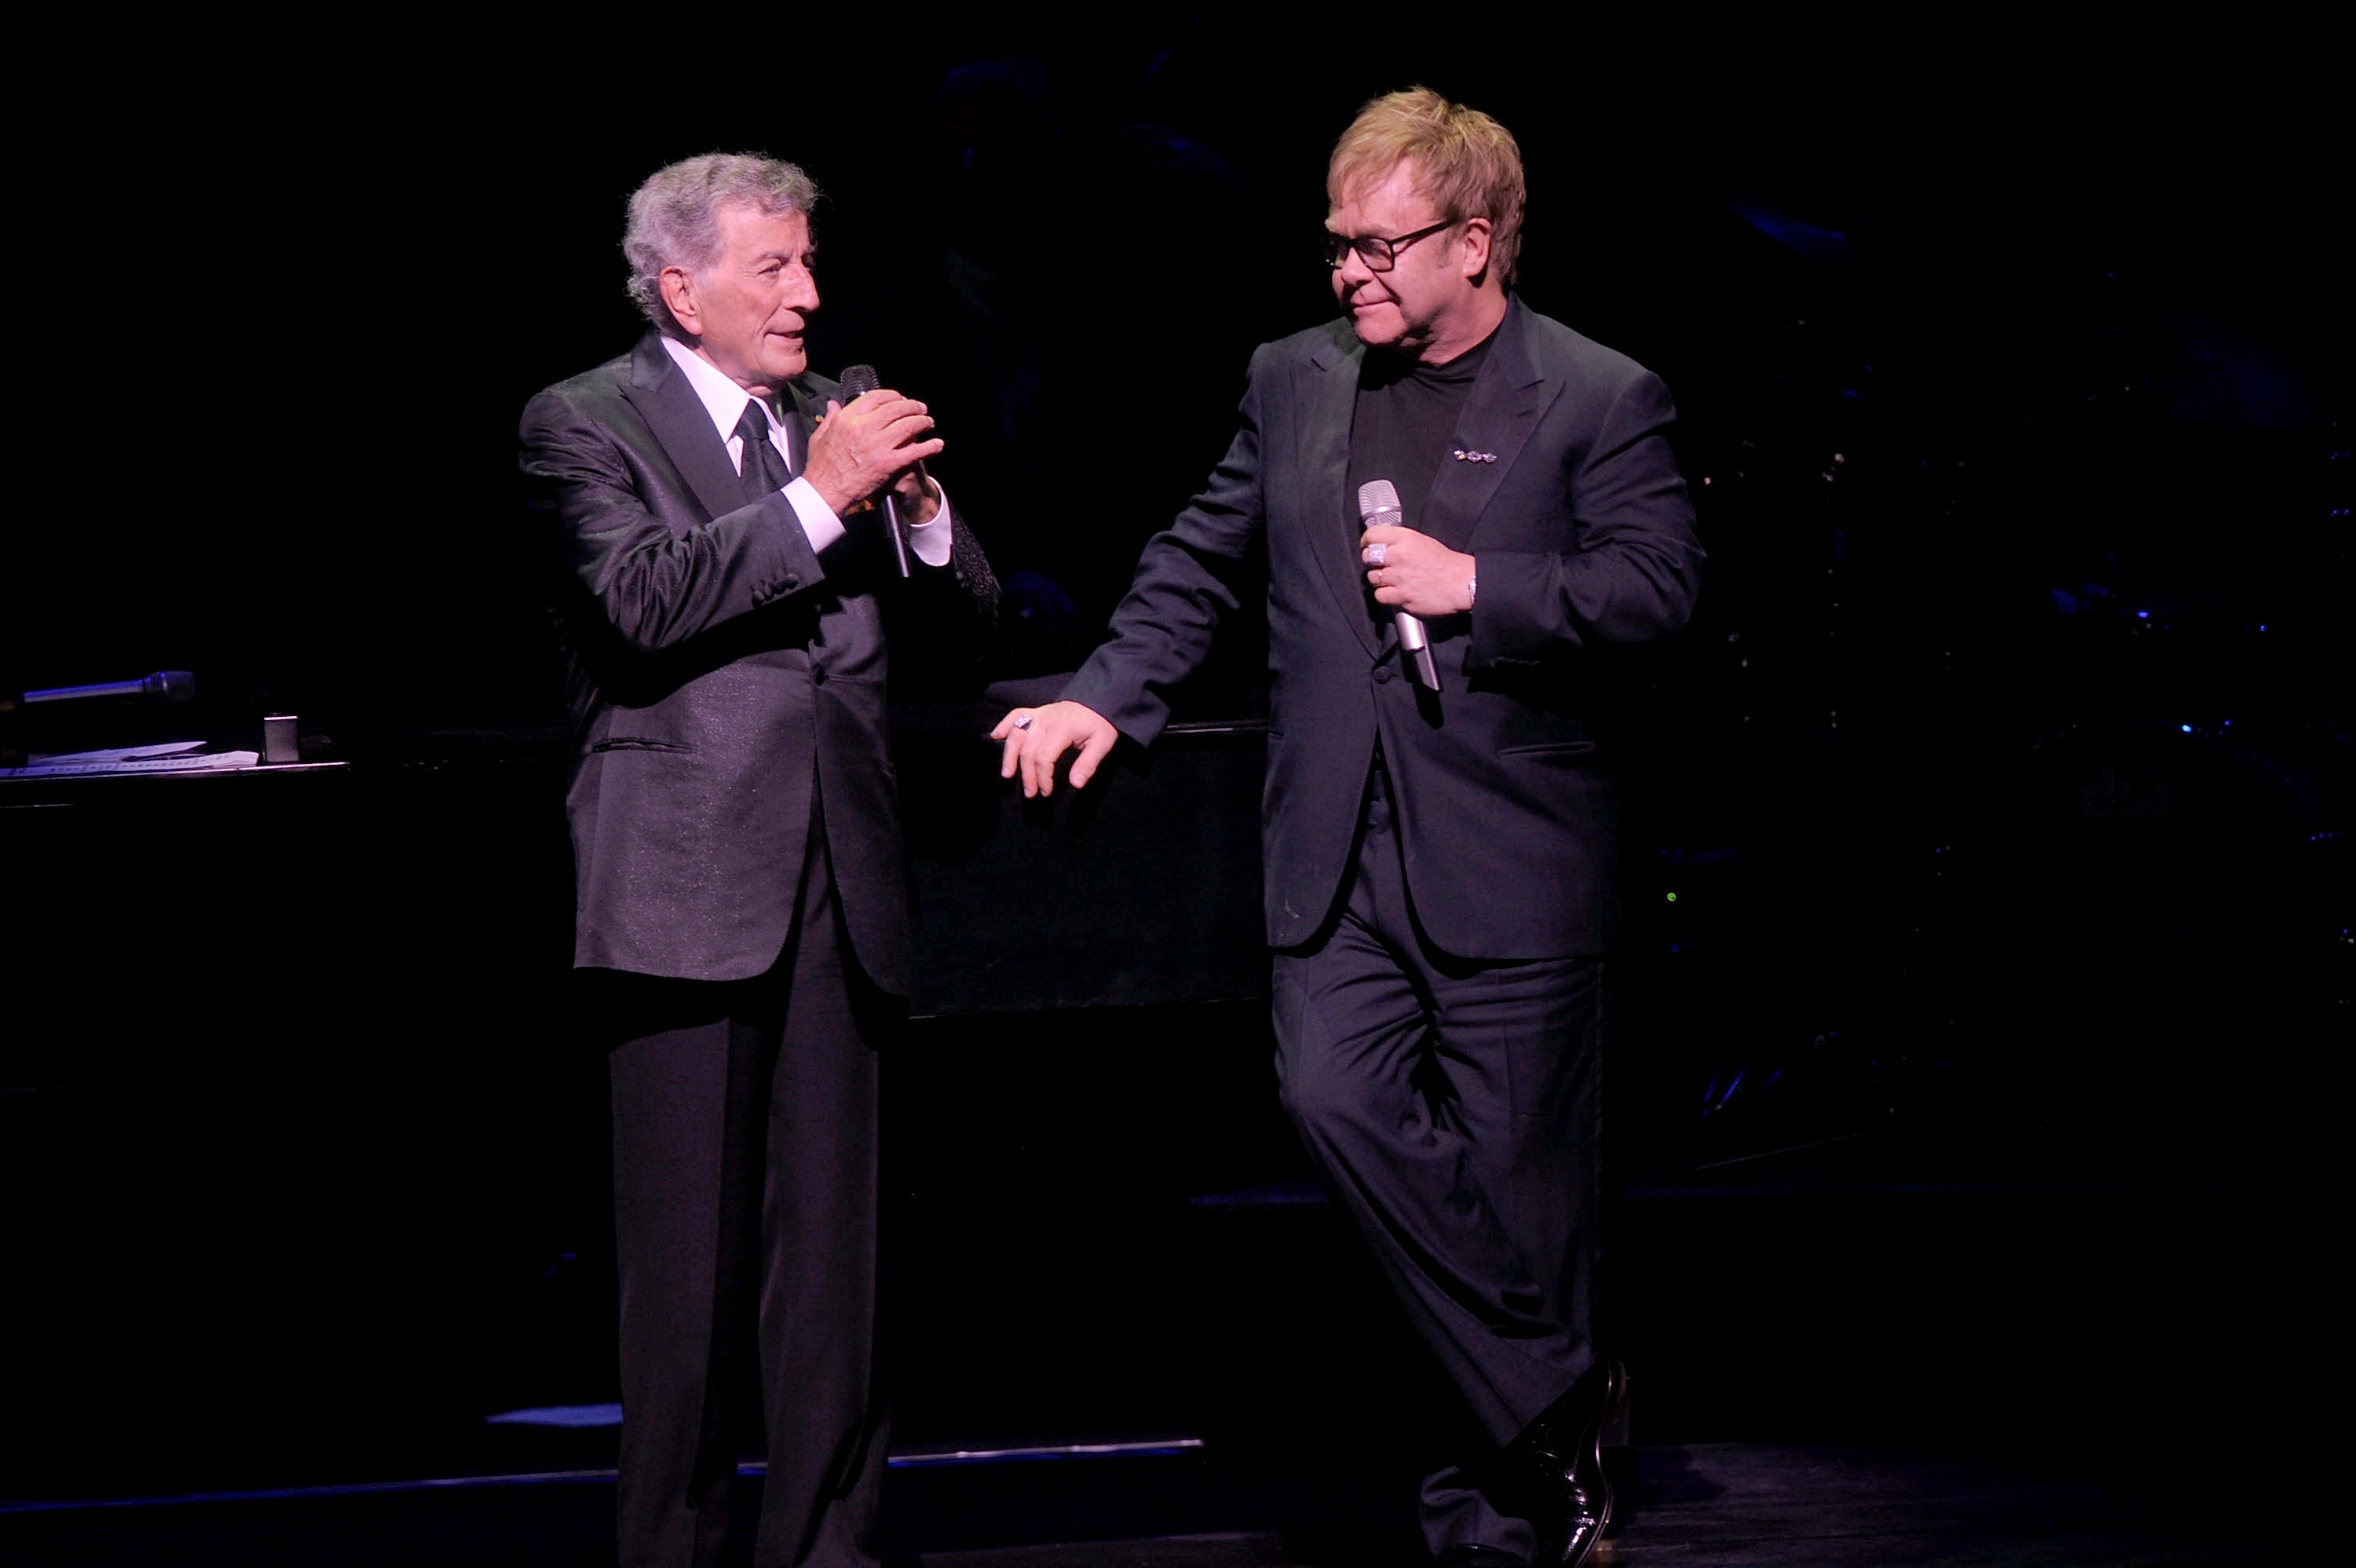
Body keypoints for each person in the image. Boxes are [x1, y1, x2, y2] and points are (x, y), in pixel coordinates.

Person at [993, 89, 1699, 1568]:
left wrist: (1480, 590)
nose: (1353, 274)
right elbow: (1203, 550)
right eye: (1337, 245)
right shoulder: (1294, 379)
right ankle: (1562, 1389)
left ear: (1478, 244)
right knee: (1328, 1101)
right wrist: (1106, 696)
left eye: (1384, 247)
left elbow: (1656, 596)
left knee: (1522, 1196)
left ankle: (1497, 1522)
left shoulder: (1598, 394)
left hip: (1515, 860)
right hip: (1336, 855)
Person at [521, 152, 997, 1568]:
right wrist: (819, 498)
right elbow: (641, 602)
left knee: (836, 1277)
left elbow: (965, 625)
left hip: (840, 879)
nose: (809, 293)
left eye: (808, 263)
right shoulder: (584, 420)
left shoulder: (828, 412)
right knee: (686, 1285)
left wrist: (911, 509)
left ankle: (829, 1551)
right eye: (773, 268)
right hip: (678, 881)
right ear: (683, 288)